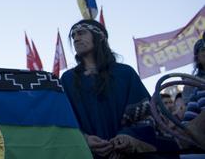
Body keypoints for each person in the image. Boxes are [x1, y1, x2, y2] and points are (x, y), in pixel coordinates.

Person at [60, 19, 169, 158]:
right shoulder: (67, 79)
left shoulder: (125, 73)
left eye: (81, 33)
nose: (76, 38)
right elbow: (63, 119)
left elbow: (146, 115)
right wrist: (84, 139)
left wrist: (128, 137)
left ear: (100, 37)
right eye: (73, 36)